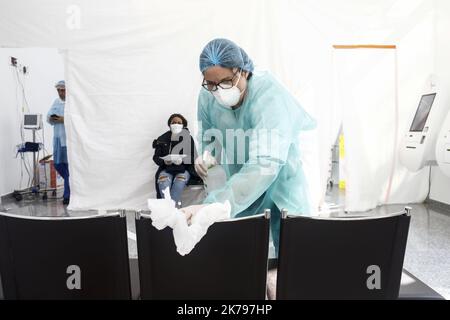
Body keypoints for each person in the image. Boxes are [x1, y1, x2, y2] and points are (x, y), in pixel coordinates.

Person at [182, 38, 317, 256]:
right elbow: (208, 133)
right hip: (241, 186)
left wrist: (216, 203)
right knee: (244, 255)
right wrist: (207, 155)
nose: (218, 91)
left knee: (293, 258)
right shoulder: (208, 95)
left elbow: (265, 163)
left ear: (242, 71)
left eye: (226, 82)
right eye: (211, 84)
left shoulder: (269, 96)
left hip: (281, 184)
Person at [153, 114, 198, 206]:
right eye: (174, 122)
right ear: (170, 124)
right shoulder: (162, 139)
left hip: (183, 169)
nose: (176, 124)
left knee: (178, 184)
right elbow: (156, 158)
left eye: (179, 123)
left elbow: (193, 157)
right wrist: (164, 161)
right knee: (163, 185)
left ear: (183, 125)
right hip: (166, 169)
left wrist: (183, 160)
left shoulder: (188, 139)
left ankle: (170, 212)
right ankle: (173, 211)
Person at [47, 80, 70, 205]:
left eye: (63, 90)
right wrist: (52, 118)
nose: (61, 92)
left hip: (68, 139)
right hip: (57, 138)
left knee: (68, 167)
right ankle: (69, 183)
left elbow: (77, 119)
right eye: (59, 90)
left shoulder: (72, 103)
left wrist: (64, 119)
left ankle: (67, 195)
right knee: (57, 164)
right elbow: (48, 116)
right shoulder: (56, 102)